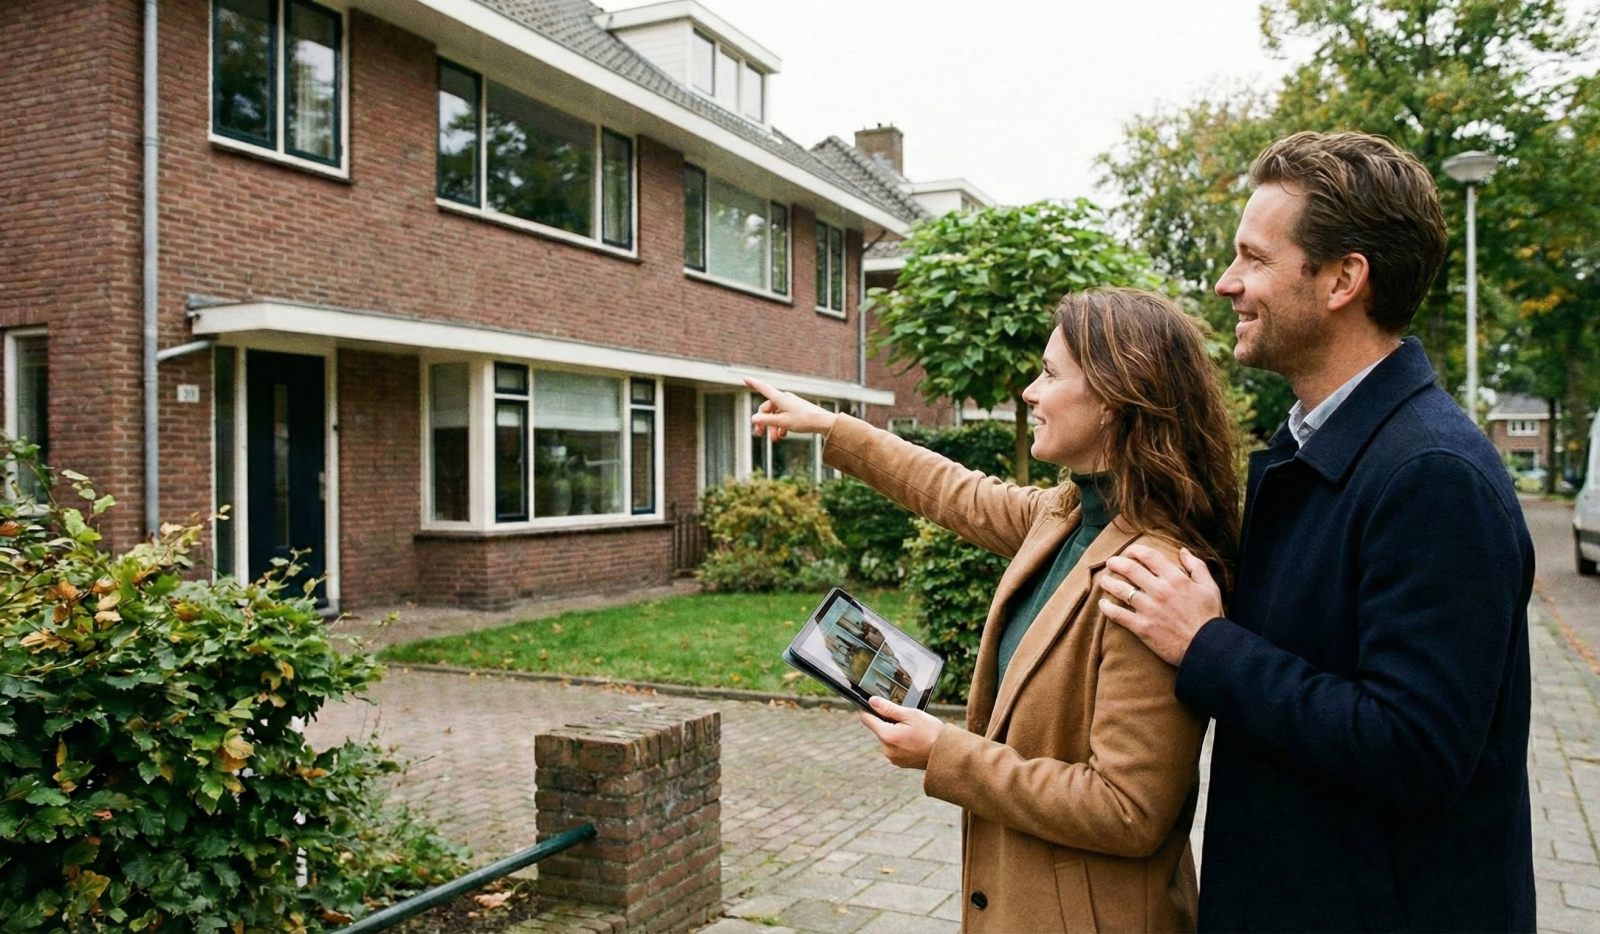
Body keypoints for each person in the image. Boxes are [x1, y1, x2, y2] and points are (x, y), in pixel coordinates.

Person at [1100, 131, 1536, 932]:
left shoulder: (1432, 476)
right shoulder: (1317, 448)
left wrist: (1206, 644)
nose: (1228, 282)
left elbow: (1415, 748)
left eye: (1254, 258)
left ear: (1343, 279)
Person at [748, 288, 1241, 933]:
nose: (1029, 393)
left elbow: (1127, 810)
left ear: (1115, 401)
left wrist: (943, 751)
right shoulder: (1069, 515)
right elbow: (953, 491)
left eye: (1050, 374)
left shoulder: (1151, 578)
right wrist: (829, 426)